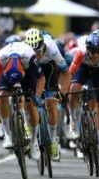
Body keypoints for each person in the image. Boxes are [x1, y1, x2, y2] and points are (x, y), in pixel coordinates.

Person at [68, 32, 99, 167]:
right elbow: (70, 73)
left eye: (98, 51)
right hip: (84, 69)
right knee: (74, 88)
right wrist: (66, 90)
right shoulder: (80, 53)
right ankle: (73, 120)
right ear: (87, 49)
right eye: (92, 51)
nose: (95, 55)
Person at [0, 39, 45, 160]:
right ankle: (7, 134)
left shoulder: (30, 57)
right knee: (3, 94)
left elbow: (41, 78)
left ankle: (34, 140)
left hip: (27, 73)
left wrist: (37, 95)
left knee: (30, 104)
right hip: (8, 74)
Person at [24, 28, 70, 162]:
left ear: (43, 46)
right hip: (32, 71)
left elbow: (66, 72)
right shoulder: (24, 51)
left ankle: (54, 139)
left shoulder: (52, 48)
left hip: (48, 69)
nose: (37, 55)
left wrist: (63, 93)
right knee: (29, 103)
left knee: (51, 104)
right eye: (33, 53)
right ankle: (32, 137)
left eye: (38, 51)